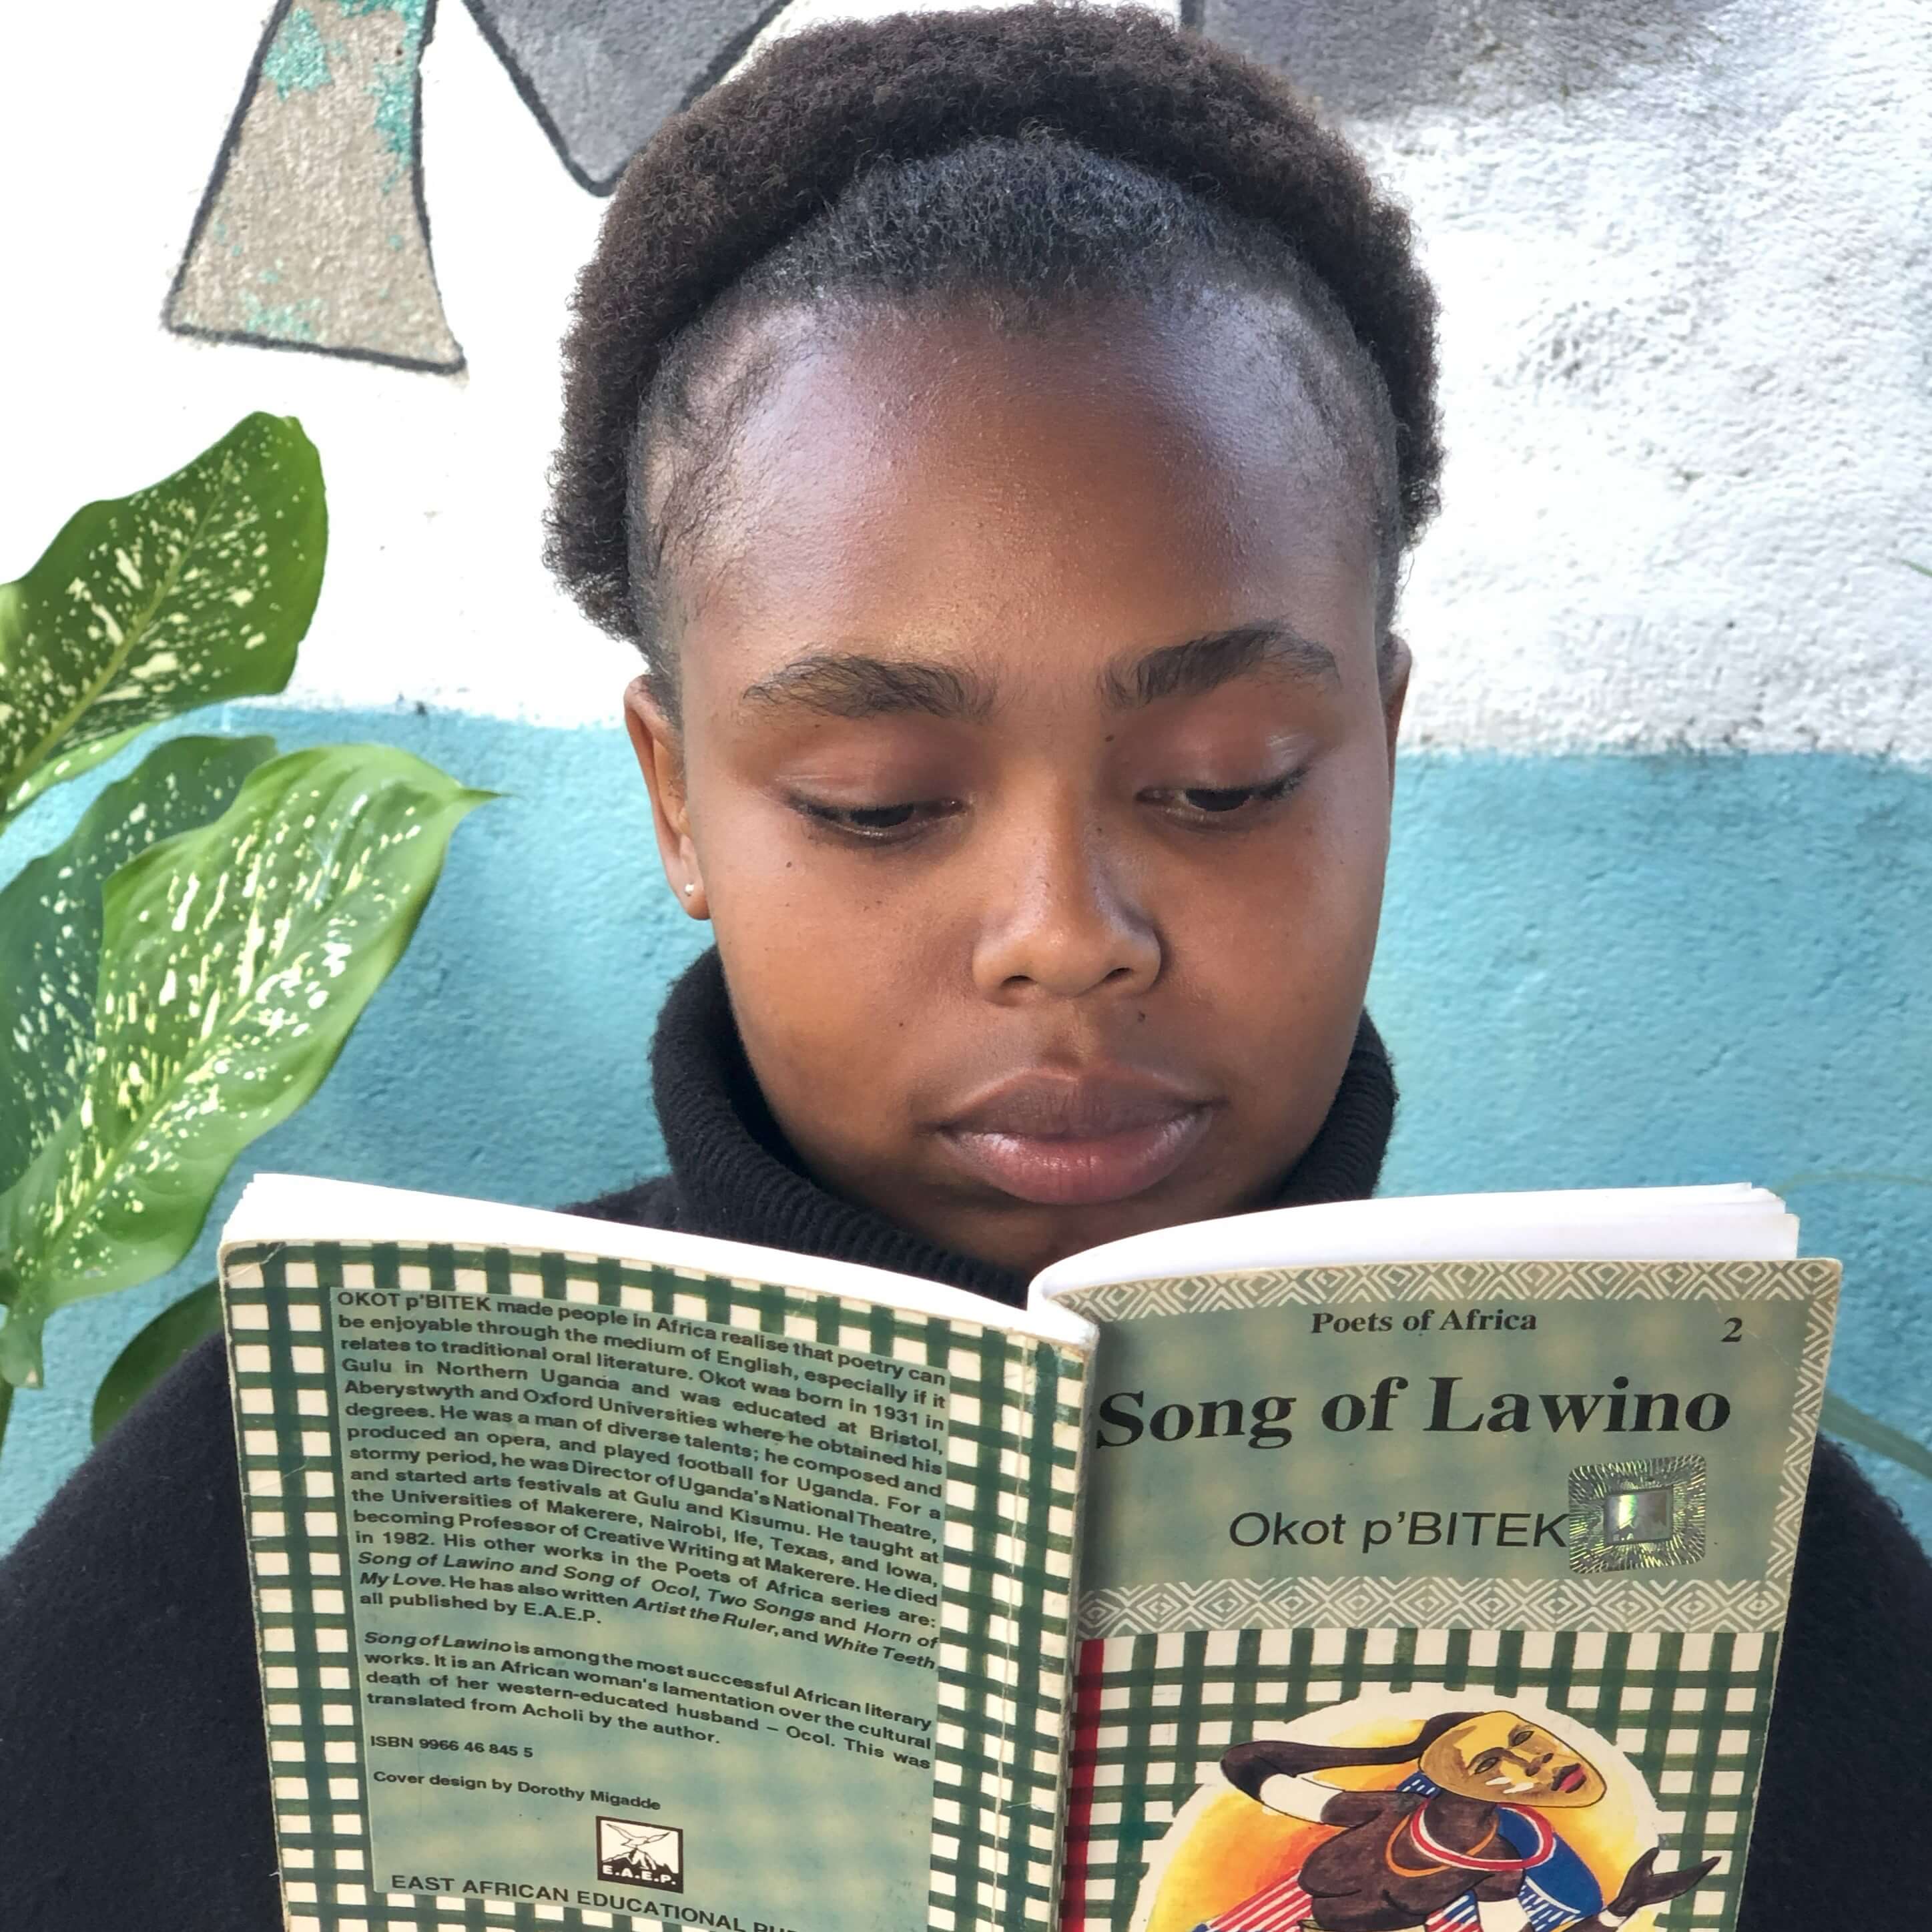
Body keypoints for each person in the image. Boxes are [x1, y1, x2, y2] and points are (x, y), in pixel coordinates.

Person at [1, 10, 1926, 1930]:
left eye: (1224, 783)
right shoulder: (283, 1512)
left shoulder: (1726, 1563)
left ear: (1384, 755)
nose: (1068, 934)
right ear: (679, 800)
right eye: (876, 801)